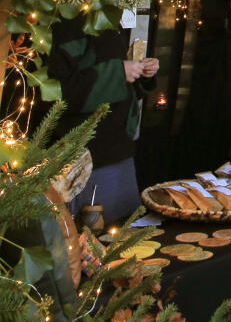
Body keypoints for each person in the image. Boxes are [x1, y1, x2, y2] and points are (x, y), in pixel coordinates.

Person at [47, 12, 159, 223]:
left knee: (126, 237)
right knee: (96, 241)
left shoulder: (106, 16)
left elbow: (108, 73)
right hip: (86, 158)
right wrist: (118, 73)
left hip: (119, 150)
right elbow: (57, 92)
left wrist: (140, 74)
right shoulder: (64, 22)